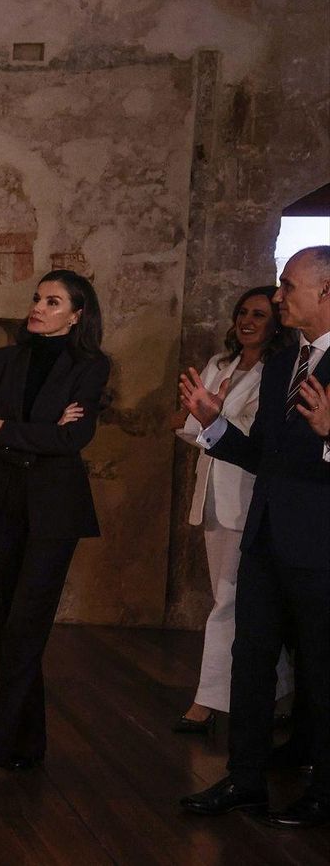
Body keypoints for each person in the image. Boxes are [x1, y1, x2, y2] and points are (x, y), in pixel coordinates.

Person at [179, 246, 330, 828]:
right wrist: (213, 423)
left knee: (320, 665)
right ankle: (245, 779)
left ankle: (322, 790)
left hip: (319, 545)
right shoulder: (284, 361)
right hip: (265, 535)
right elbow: (264, 456)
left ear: (325, 292)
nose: (276, 296)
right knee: (251, 657)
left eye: (287, 285)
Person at [0, 269, 111, 777]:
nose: (39, 308)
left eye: (53, 302)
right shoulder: (5, 359)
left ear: (77, 314)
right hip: (2, 503)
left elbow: (72, 442)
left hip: (53, 511)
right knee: (8, 624)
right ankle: (31, 739)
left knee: (28, 623)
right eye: (37, 299)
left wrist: (3, 427)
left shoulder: (90, 366)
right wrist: (35, 432)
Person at [173, 287, 292, 733]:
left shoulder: (275, 371)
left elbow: (248, 433)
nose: (247, 320)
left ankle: (206, 702)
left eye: (259, 314)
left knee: (230, 599)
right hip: (213, 497)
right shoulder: (220, 366)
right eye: (242, 312)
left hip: (247, 492)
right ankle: (279, 692)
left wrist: (213, 418)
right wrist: (206, 417)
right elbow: (192, 424)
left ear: (275, 323)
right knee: (234, 599)